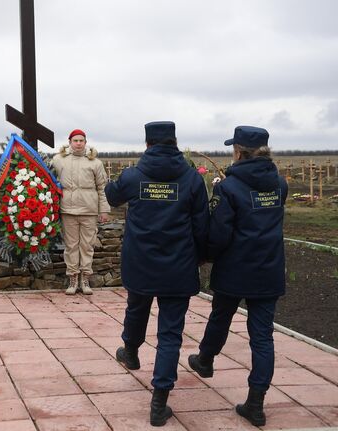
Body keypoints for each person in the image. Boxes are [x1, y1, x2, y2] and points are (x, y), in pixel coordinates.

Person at [104, 121, 209, 427]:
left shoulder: (134, 175)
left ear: (147, 144)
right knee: (170, 333)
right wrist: (201, 257)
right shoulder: (191, 179)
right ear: (175, 142)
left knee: (136, 308)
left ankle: (132, 351)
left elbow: (112, 197)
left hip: (141, 263)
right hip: (178, 265)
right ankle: (159, 400)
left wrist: (114, 183)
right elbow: (202, 225)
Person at [187, 126, 287, 427]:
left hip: (235, 267)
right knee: (262, 335)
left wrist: (207, 254)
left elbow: (219, 233)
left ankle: (205, 360)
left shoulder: (228, 188)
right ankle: (256, 402)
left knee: (221, 316)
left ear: (239, 152)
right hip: (268, 268)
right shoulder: (280, 185)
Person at [52, 129, 110, 295]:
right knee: (71, 246)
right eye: (75, 140)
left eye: (81, 140)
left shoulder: (95, 163)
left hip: (88, 210)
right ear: (69, 142)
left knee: (87, 245)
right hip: (68, 210)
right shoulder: (59, 160)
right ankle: (72, 278)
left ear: (85, 142)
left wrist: (104, 210)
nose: (78, 143)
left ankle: (85, 278)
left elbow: (101, 188)